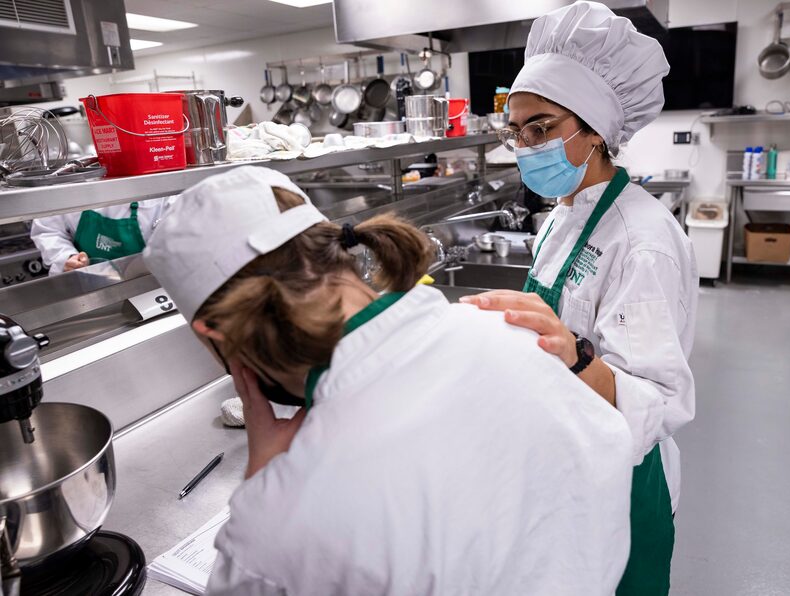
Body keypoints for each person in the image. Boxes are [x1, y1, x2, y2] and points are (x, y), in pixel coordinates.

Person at [143, 166, 634, 595]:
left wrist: (262, 484)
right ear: (336, 249)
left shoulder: (282, 522)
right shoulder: (516, 336)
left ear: (215, 333)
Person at [460, 3, 698, 595]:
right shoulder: (562, 216)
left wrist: (574, 357)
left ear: (595, 130)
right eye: (516, 131)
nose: (523, 145)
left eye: (541, 127)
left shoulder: (642, 240)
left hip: (624, 478)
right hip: (564, 454)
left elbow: (660, 402)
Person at [30, 198, 172, 274]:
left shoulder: (161, 194)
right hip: (86, 291)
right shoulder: (74, 187)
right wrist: (66, 257)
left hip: (147, 293)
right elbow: (48, 230)